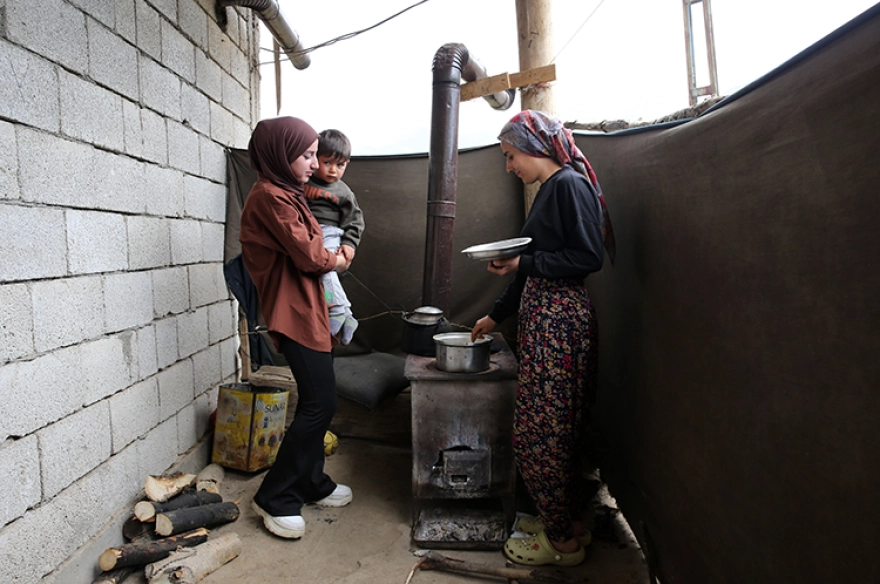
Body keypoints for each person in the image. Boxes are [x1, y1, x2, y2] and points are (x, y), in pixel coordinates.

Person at [470, 110, 616, 567]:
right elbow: (532, 259)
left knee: (541, 435)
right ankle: (565, 522)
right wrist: (494, 317)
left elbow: (587, 256)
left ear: (536, 148)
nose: (510, 166)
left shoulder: (569, 184)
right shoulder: (552, 190)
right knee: (555, 431)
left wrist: (523, 266)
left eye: (512, 156)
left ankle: (561, 545)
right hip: (545, 318)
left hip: (560, 324)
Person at [239, 116, 353, 540]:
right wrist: (338, 259)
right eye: (305, 155)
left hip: (310, 308)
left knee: (318, 400)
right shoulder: (271, 196)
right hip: (293, 312)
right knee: (319, 404)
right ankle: (276, 497)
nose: (313, 162)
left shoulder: (287, 192)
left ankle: (311, 483)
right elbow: (309, 255)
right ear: (280, 156)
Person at [303, 129, 365, 345]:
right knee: (322, 278)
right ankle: (346, 316)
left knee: (324, 267)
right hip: (308, 233)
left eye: (340, 165)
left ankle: (338, 309)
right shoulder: (305, 181)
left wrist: (349, 244)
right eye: (327, 162)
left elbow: (355, 220)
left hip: (330, 234)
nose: (333, 170)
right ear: (314, 158)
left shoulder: (343, 191)